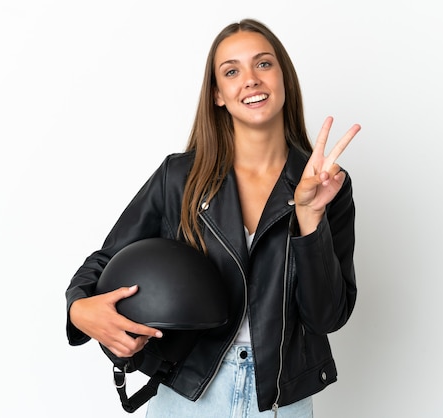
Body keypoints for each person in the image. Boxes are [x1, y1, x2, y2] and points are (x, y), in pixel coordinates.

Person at [66, 18, 360, 417]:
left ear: (284, 79)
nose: (251, 80)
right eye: (232, 71)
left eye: (264, 64)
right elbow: (103, 262)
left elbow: (327, 316)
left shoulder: (325, 186)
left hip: (278, 400)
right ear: (218, 95)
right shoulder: (180, 178)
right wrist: (79, 308)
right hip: (190, 393)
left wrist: (310, 216)